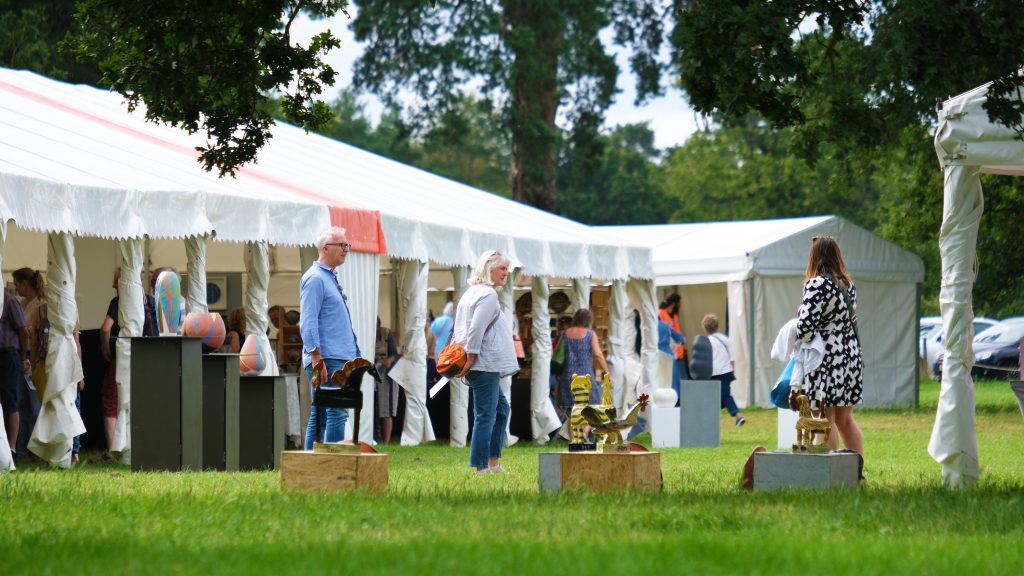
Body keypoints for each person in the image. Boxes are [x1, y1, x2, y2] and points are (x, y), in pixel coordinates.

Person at [792, 235, 864, 455]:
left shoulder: (816, 285)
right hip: (850, 355)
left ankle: (831, 476)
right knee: (845, 419)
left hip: (826, 358)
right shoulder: (847, 285)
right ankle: (856, 472)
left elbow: (804, 329)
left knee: (824, 418)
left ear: (814, 257)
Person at [452, 250, 518, 474]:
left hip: (478, 362)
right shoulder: (487, 294)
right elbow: (476, 328)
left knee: (501, 410)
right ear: (488, 269)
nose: (506, 273)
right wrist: (470, 357)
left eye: (507, 268)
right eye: (502, 268)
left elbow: (460, 328)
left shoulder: (470, 293)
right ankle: (481, 467)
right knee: (486, 415)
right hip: (482, 362)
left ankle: (493, 462)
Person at [300, 226, 361, 450]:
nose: (346, 249)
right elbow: (308, 321)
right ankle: (332, 468)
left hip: (337, 357)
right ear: (325, 248)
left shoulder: (327, 277)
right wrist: (316, 356)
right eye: (342, 245)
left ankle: (310, 468)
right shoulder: (315, 278)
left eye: (347, 245)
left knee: (323, 414)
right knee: (335, 413)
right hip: (328, 358)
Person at [100, 268, 158, 456]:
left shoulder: (118, 302)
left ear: (123, 283)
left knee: (111, 399)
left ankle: (115, 448)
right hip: (150, 356)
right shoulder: (150, 301)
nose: (112, 285)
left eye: (115, 281)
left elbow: (105, 328)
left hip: (125, 355)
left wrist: (106, 349)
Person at [557, 309, 609, 417]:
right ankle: (584, 433)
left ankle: (576, 434)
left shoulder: (565, 333)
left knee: (573, 413)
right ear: (589, 320)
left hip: (567, 377)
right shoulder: (590, 334)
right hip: (585, 377)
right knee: (594, 407)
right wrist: (607, 372)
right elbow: (598, 354)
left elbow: (557, 352)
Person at [1, 284, 30, 457]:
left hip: (7, 355)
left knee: (10, 400)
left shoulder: (9, 301)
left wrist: (22, 357)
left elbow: (23, 332)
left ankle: (11, 448)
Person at [702, 313, 745, 427]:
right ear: (717, 325)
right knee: (724, 395)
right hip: (726, 371)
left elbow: (705, 360)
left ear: (705, 328)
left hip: (713, 373)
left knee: (717, 396)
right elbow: (732, 358)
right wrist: (732, 371)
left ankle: (737, 416)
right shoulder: (726, 339)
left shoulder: (706, 341)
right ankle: (731, 417)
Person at [374, 317, 400, 444]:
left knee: (386, 410)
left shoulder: (387, 334)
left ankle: (386, 441)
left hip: (387, 376)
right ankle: (376, 438)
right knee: (375, 409)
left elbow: (394, 355)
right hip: (373, 374)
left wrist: (388, 360)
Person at [659, 293, 690, 388]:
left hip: (679, 351)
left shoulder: (675, 315)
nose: (680, 305)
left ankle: (682, 398)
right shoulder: (660, 314)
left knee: (682, 378)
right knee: (673, 378)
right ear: (674, 303)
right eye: (679, 303)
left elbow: (677, 331)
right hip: (668, 350)